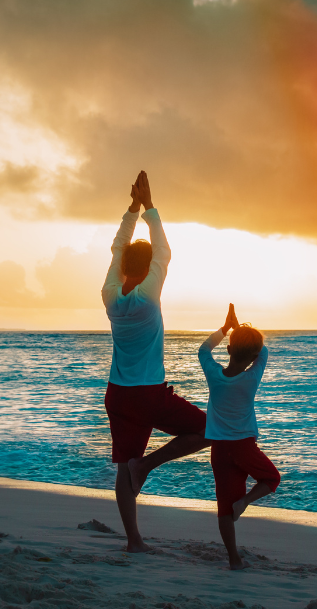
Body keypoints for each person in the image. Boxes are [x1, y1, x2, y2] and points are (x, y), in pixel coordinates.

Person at [102, 170, 210, 553]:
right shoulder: (147, 297)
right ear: (148, 271)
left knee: (122, 468)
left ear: (125, 266)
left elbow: (118, 250)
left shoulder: (110, 295)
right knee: (208, 429)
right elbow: (163, 252)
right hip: (147, 395)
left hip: (118, 395)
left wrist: (133, 209)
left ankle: (134, 541)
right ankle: (147, 466)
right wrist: (149, 208)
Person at [199, 303, 279, 570]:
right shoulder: (252, 377)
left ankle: (234, 559)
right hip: (244, 447)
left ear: (229, 350)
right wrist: (241, 330)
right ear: (253, 356)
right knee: (271, 478)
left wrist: (226, 328)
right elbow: (263, 352)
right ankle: (244, 502)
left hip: (220, 451)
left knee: (224, 507)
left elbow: (203, 350)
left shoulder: (214, 375)